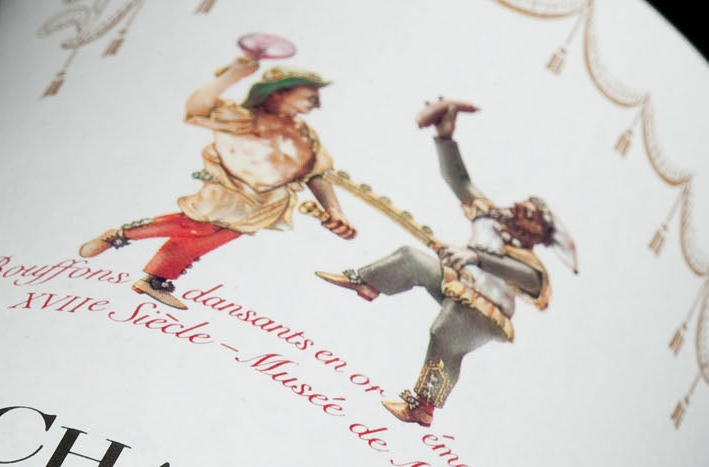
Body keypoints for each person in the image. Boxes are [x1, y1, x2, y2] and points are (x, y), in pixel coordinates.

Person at [317, 98, 576, 423]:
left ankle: (422, 407)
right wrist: (444, 137)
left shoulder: (529, 263)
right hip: (458, 284)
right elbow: (459, 180)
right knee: (412, 259)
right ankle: (367, 283)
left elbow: (522, 275)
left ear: (538, 234)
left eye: (533, 216)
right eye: (526, 206)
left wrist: (474, 257)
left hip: (486, 311)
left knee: (446, 332)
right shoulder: (489, 217)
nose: (522, 210)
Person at [80, 53, 355, 309]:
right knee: (194, 227)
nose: (316, 105)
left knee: (207, 241)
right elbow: (198, 108)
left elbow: (317, 173)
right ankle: (118, 235)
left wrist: (334, 209)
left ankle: (154, 280)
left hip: (265, 206)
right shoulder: (244, 119)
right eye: (310, 97)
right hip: (229, 193)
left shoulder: (304, 133)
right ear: (279, 93)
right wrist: (232, 75)